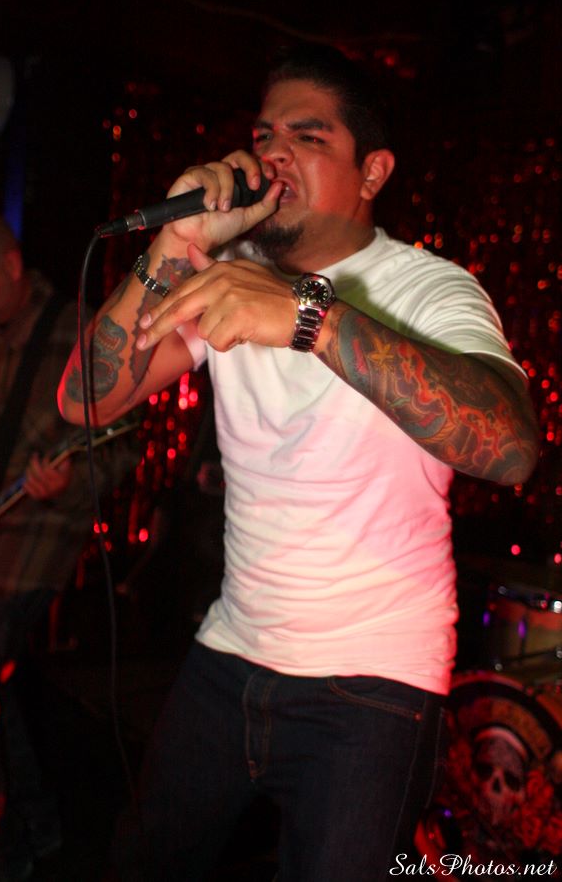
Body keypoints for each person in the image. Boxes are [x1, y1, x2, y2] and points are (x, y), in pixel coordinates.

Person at [58, 45, 539, 881]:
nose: (273, 155)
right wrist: (176, 240)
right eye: (264, 135)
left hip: (373, 681)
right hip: (231, 651)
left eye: (308, 138)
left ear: (372, 172)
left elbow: (509, 447)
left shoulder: (428, 288)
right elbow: (85, 399)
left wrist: (309, 316)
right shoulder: (229, 273)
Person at [0, 207, 137, 881]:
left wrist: (66, 481)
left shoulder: (79, 332)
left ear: (12, 266)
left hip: (37, 535)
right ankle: (35, 829)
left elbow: (121, 449)